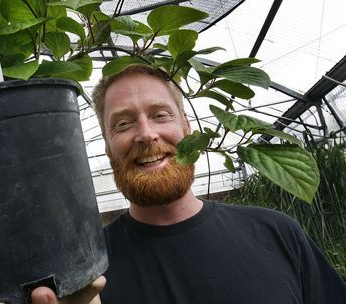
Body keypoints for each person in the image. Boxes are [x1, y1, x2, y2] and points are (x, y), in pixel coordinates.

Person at [31, 65, 346, 304]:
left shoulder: (276, 232)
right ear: (108, 146)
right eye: (123, 123)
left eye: (160, 115)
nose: (146, 134)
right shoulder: (84, 277)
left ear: (187, 127)